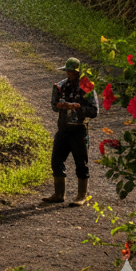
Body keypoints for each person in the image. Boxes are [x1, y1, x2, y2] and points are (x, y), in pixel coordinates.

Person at [41, 56, 98, 206]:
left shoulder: (87, 86)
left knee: (81, 163)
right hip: (63, 128)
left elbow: (94, 111)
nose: (69, 74)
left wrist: (78, 107)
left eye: (72, 72)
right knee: (56, 161)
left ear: (78, 72)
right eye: (68, 71)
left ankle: (81, 195)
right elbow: (54, 105)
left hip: (79, 130)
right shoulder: (61, 86)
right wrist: (61, 106)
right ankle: (59, 194)